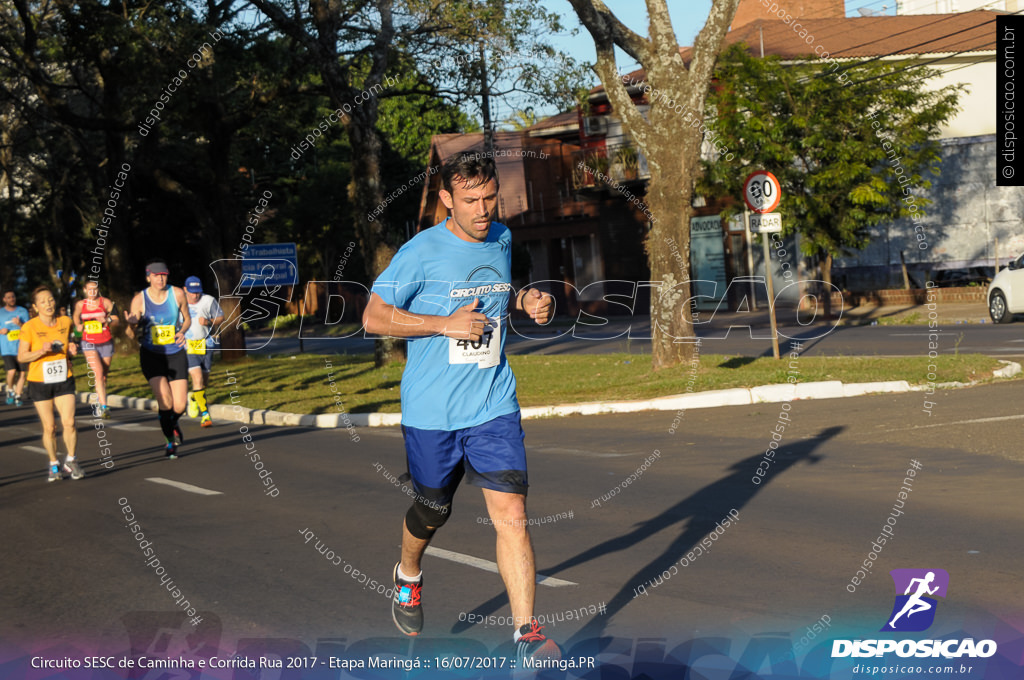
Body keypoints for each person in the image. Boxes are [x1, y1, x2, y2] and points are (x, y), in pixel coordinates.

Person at [362, 154, 558, 664]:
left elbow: (499, 293)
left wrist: (526, 303)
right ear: (446, 200)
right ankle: (408, 573)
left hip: (492, 400)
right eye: (470, 201)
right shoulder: (420, 251)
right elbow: (373, 318)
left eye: (490, 198)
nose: (483, 209)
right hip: (432, 409)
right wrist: (441, 323)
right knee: (433, 510)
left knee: (512, 514)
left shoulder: (501, 237)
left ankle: (526, 635)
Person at [123, 261, 191, 458]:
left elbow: (186, 318)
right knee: (165, 401)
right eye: (155, 275)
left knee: (180, 405)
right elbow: (129, 334)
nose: (160, 278)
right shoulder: (140, 299)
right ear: (148, 277)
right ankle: (170, 441)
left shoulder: (177, 293)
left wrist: (183, 331)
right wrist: (132, 325)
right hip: (152, 354)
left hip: (175, 351)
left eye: (163, 275)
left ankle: (172, 421)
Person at [17, 286, 83, 481]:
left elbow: (70, 342)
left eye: (51, 299)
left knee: (69, 422)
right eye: (43, 302)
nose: (48, 304)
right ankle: (54, 463)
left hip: (64, 378)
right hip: (39, 381)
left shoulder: (65, 321)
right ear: (36, 307)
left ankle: (71, 461)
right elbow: (22, 356)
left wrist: (71, 348)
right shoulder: (29, 327)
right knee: (50, 427)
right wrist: (41, 351)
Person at [73, 281, 118, 418]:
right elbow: (75, 316)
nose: (92, 291)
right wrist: (78, 325)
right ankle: (104, 407)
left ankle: (100, 400)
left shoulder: (105, 302)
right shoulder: (81, 304)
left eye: (95, 288)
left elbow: (116, 319)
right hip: (89, 342)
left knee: (103, 376)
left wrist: (107, 320)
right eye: (89, 289)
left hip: (106, 342)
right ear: (85, 290)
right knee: (98, 373)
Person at [183, 276, 223, 427]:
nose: (195, 295)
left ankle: (194, 397)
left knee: (203, 381)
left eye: (198, 292)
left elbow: (221, 317)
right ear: (185, 289)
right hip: (188, 345)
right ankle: (205, 414)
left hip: (206, 342)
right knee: (197, 377)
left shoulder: (208, 300)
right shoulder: (179, 301)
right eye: (192, 292)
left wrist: (209, 321)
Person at [1, 289, 29, 406]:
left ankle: (17, 395)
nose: (11, 299)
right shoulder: (1, 313)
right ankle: (10, 390)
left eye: (13, 297)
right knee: (12, 371)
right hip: (7, 348)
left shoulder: (23, 311)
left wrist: (20, 324)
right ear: (4, 300)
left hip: (22, 347)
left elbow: (28, 328)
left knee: (22, 373)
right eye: (8, 297)